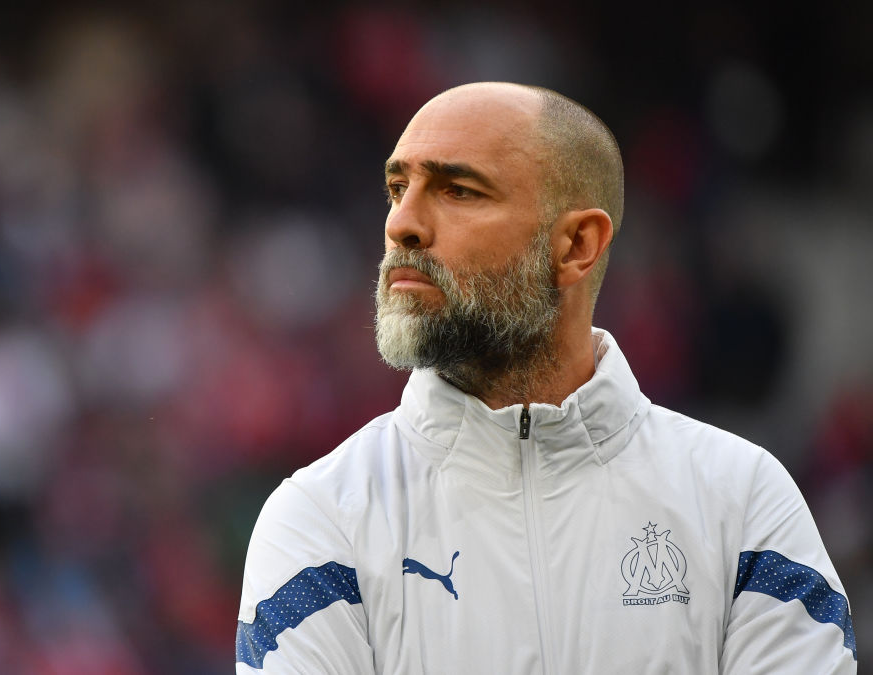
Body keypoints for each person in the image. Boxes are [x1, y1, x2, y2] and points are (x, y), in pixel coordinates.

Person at [235, 82, 857, 674]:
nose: (402, 224)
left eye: (458, 191)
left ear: (576, 246)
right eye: (398, 188)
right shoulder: (321, 518)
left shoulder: (741, 504)